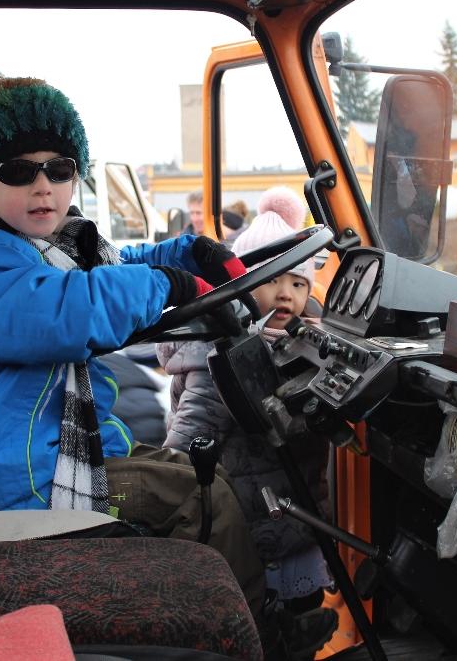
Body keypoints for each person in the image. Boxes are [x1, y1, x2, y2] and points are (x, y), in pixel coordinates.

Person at [0, 76, 265, 616]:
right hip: (35, 486)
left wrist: (188, 255)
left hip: (80, 453)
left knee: (204, 472)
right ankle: (251, 633)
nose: (44, 186)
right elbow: (71, 308)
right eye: (19, 171)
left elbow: (111, 268)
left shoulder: (43, 248)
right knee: (203, 497)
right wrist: (167, 285)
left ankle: (185, 611)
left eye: (59, 169)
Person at [157, 209, 337, 660]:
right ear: (239, 292)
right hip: (246, 528)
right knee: (256, 622)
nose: (286, 294)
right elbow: (185, 447)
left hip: (294, 519)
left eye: (298, 284)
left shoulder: (306, 346)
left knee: (300, 608)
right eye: (270, 281)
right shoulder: (219, 360)